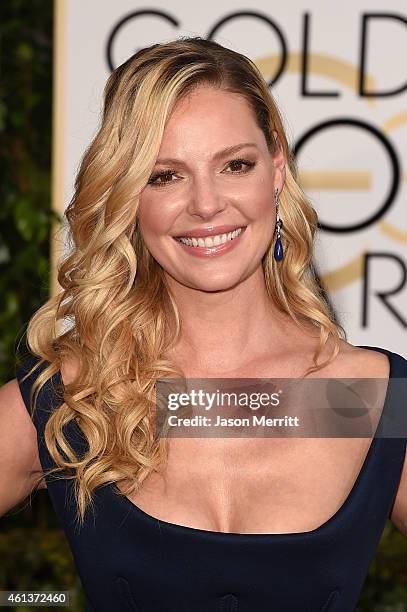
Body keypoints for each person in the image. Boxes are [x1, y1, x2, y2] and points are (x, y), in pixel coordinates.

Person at [1, 36, 406, 612]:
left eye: (235, 164)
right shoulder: (75, 397)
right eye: (166, 175)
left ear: (276, 172)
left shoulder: (367, 398)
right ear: (127, 196)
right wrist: (31, 602)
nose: (207, 204)